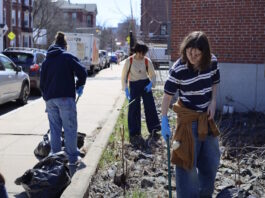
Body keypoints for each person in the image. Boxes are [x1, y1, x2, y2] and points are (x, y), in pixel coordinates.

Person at [161, 31, 221, 197]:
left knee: (211, 161)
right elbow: (167, 97)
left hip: (206, 119)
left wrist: (213, 101)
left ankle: (205, 195)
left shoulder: (212, 61)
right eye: (189, 52)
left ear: (205, 53)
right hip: (188, 119)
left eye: (197, 54)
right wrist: (164, 120)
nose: (192, 57)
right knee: (186, 165)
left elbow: (215, 82)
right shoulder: (178, 68)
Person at [40, 31, 87, 176]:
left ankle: (56, 158)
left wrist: (47, 97)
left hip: (50, 100)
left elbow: (42, 83)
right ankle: (72, 159)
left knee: (54, 129)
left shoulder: (46, 61)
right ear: (64, 46)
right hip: (66, 98)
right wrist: (80, 85)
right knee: (70, 128)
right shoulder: (67, 57)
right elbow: (83, 72)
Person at [121, 41, 161, 147]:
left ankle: (154, 128)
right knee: (134, 108)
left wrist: (150, 84)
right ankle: (134, 132)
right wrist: (125, 89)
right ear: (136, 51)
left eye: (143, 53)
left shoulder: (147, 61)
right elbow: (124, 76)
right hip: (134, 84)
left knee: (150, 106)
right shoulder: (129, 61)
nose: (141, 55)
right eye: (140, 53)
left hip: (145, 84)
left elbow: (153, 75)